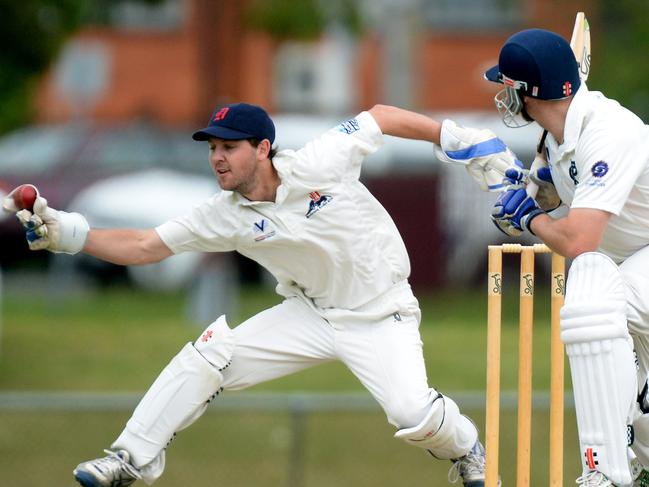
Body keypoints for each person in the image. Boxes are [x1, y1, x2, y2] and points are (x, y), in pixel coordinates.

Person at [3, 102, 512, 487]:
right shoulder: (222, 213)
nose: (218, 159)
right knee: (211, 354)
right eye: (212, 149)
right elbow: (144, 244)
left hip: (382, 313)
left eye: (229, 147)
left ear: (263, 148)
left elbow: (379, 117)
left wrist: (457, 138)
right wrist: (67, 234)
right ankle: (128, 460)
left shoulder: (319, 162)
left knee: (411, 414)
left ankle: (466, 449)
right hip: (310, 314)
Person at [484, 28, 649, 487]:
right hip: (635, 267)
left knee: (590, 283)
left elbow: (579, 241)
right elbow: (564, 193)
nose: (503, 95)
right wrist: (541, 189)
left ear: (525, 93)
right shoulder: (558, 138)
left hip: (638, 260)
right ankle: (628, 468)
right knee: (645, 433)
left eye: (507, 87)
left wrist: (532, 219)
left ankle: (605, 474)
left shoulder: (609, 131)